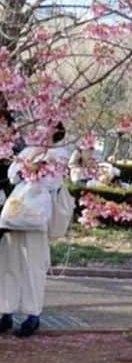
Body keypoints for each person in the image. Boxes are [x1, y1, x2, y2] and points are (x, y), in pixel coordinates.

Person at [0, 125, 74, 339]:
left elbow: (52, 181)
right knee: (8, 264)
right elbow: (13, 175)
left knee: (33, 266)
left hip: (37, 214)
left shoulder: (59, 153)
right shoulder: (27, 150)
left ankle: (32, 314)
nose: (41, 128)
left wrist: (34, 165)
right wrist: (31, 158)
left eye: (47, 125)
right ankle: (6, 310)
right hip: (16, 215)